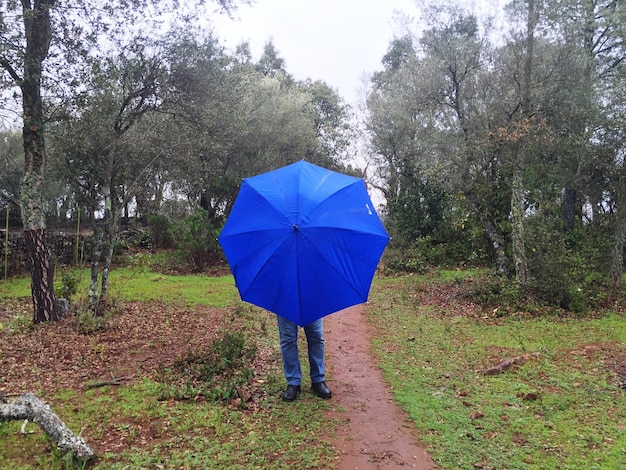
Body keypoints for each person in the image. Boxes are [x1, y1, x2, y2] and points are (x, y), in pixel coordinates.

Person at [277, 315, 332, 401]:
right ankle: (293, 382)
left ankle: (318, 380)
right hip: (286, 303)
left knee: (316, 337)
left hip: (312, 302)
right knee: (288, 340)